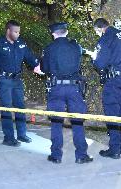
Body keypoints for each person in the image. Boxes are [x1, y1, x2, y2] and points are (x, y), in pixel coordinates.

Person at [0, 20, 42, 147]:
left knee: (20, 107)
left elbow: (31, 58)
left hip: (17, 80)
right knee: (7, 108)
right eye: (15, 32)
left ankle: (21, 134)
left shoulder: (21, 44)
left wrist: (40, 66)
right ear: (8, 31)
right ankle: (8, 137)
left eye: (19, 32)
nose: (18, 34)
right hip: (3, 81)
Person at [42, 22, 93, 164]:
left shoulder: (49, 48)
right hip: (74, 88)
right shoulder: (76, 47)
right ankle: (81, 155)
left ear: (53, 34)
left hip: (56, 88)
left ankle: (56, 155)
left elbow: (45, 68)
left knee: (56, 122)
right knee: (77, 121)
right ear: (66, 32)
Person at [87, 18, 121, 159]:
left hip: (114, 81)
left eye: (97, 31)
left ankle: (114, 149)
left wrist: (93, 58)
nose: (97, 34)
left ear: (100, 28)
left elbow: (100, 63)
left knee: (112, 112)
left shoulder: (105, 38)